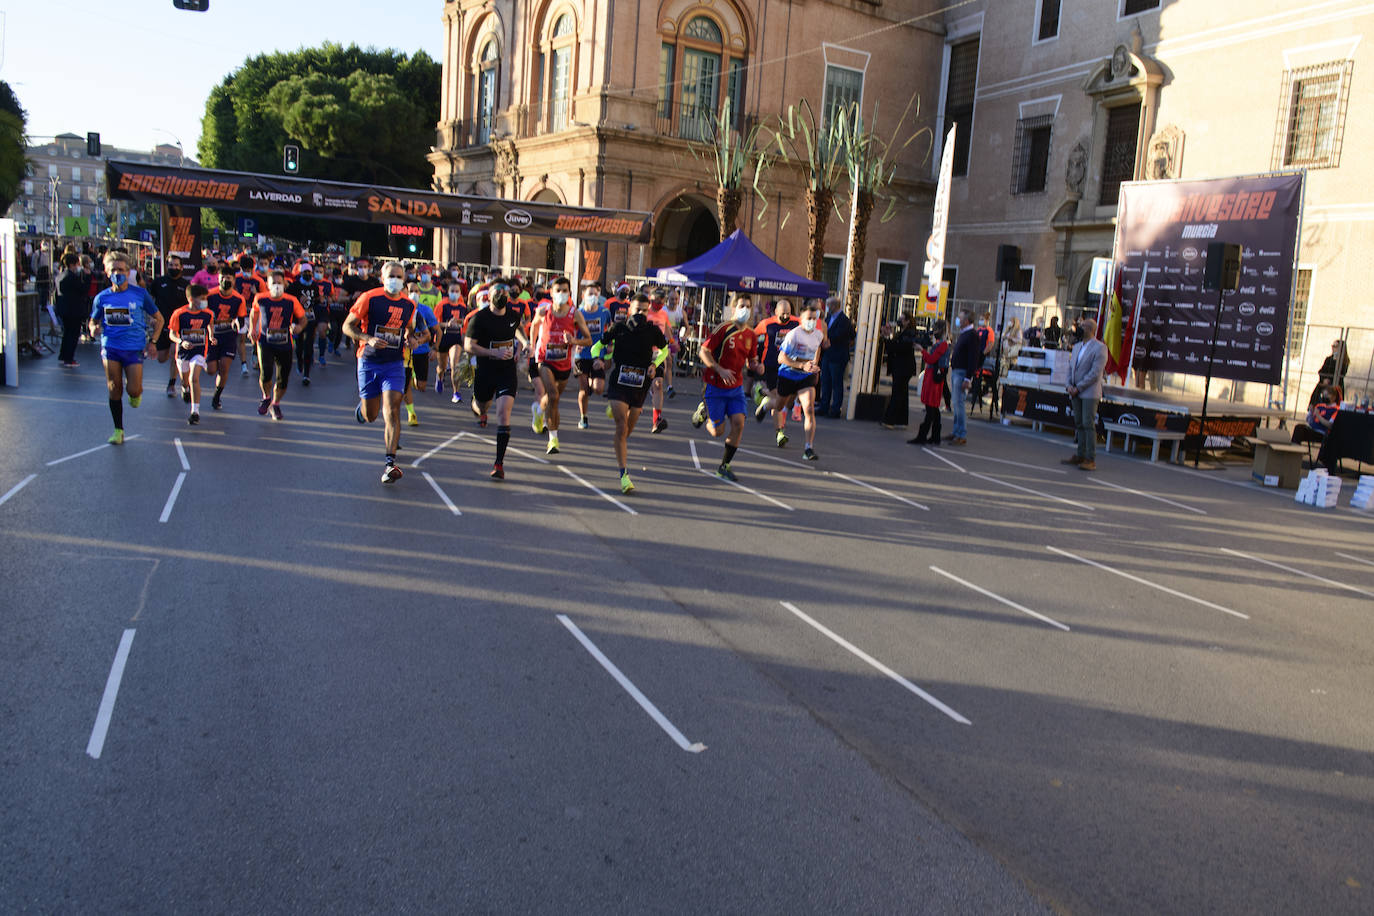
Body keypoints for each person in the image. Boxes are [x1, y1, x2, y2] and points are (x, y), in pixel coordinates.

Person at [344, 261, 422, 483]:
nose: (395, 280)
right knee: (371, 416)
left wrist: (410, 339)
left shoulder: (408, 304)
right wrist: (368, 338)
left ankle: (390, 464)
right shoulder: (370, 297)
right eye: (391, 276)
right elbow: (347, 326)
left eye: (399, 276)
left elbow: (408, 328)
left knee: (392, 410)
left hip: (394, 363)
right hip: (368, 361)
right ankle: (363, 409)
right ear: (382, 277)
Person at [593, 293, 670, 493]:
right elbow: (597, 346)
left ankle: (615, 413)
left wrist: (655, 364)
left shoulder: (653, 331)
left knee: (627, 430)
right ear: (630, 310)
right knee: (621, 426)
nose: (641, 314)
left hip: (640, 386)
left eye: (645, 310)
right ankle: (624, 475)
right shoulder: (619, 328)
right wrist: (599, 360)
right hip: (619, 383)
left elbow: (665, 351)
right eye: (637, 310)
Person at [89, 251, 163, 445]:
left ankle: (136, 393)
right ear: (106, 272)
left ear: (128, 271)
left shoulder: (139, 294)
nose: (117, 273)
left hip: (133, 348)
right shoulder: (101, 298)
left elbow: (159, 319)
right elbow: (93, 321)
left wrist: (153, 341)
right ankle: (118, 430)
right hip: (110, 346)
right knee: (114, 388)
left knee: (133, 389)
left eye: (121, 269)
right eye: (113, 269)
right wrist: (93, 329)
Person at [691, 294, 761, 481]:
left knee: (739, 423)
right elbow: (704, 351)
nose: (745, 309)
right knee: (717, 432)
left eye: (748, 306)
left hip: (736, 387)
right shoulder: (724, 329)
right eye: (741, 306)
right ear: (733, 308)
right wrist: (719, 369)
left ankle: (724, 465)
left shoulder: (751, 335)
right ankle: (703, 412)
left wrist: (757, 366)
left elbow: (751, 361)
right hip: (715, 385)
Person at [464, 284, 530, 480]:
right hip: (485, 371)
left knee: (503, 413)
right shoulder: (479, 318)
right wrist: (493, 352)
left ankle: (499, 463)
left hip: (506, 371)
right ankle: (478, 406)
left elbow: (518, 329)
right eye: (497, 293)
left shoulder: (513, 314)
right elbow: (468, 346)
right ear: (489, 297)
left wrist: (524, 345)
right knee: (482, 407)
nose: (501, 296)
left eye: (504, 293)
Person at [531, 276, 593, 454]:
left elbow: (588, 339)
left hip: (564, 363)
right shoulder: (544, 311)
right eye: (558, 290)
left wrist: (573, 340)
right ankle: (553, 440)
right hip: (545, 359)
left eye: (565, 290)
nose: (561, 294)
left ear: (569, 293)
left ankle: (538, 411)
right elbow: (534, 326)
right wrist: (531, 344)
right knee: (553, 395)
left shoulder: (575, 313)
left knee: (552, 399)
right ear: (551, 293)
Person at [757, 301, 825, 460]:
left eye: (815, 319)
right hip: (787, 374)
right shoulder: (794, 334)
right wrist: (801, 364)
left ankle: (808, 448)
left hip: (805, 377)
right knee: (779, 405)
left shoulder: (818, 335)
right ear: (801, 318)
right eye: (809, 318)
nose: (812, 322)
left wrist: (814, 364)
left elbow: (818, 348)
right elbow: (781, 358)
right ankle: (766, 405)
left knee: (808, 408)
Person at [247, 271, 307, 420]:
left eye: (280, 283)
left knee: (282, 378)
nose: (277, 286)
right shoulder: (260, 298)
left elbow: (303, 318)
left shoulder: (291, 301)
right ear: (267, 284)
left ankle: (276, 403)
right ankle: (266, 397)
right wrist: (252, 329)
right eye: (273, 283)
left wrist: (299, 327)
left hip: (285, 343)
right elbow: (254, 313)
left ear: (285, 284)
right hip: (265, 341)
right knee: (265, 372)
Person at [1062, 317, 1108, 471]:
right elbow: (1071, 368)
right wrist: (1068, 385)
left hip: (1088, 392)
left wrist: (1078, 387)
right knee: (1079, 424)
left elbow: (1095, 373)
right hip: (1075, 391)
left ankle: (1090, 458)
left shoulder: (1100, 348)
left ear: (1091, 329)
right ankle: (1080, 454)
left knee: (1088, 424)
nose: (1080, 328)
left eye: (1083, 326)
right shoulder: (1077, 347)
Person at [167, 284, 216, 425]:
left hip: (199, 350)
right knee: (185, 379)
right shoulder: (179, 314)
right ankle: (184, 388)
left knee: (194, 378)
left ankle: (195, 412)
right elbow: (172, 334)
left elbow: (210, 324)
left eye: (205, 298)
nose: (204, 301)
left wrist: (212, 336)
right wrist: (181, 341)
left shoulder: (208, 313)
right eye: (202, 298)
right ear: (191, 299)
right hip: (183, 352)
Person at [754, 299, 798, 445]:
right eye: (782, 314)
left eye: (788, 314)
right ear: (776, 312)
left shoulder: (796, 322)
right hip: (771, 366)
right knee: (779, 401)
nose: (786, 317)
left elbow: (813, 328)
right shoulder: (767, 324)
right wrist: (755, 359)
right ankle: (780, 434)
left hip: (789, 366)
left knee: (787, 399)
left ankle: (765, 402)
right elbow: (752, 336)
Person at [206, 265, 247, 411]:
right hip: (212, 336)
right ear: (218, 278)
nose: (225, 280)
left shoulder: (238, 299)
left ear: (234, 280)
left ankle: (217, 396)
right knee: (211, 370)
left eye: (228, 277)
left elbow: (241, 319)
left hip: (229, 337)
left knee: (224, 367)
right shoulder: (210, 295)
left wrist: (237, 322)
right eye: (222, 277)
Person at [149, 255, 190, 397]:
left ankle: (172, 384)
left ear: (181, 267)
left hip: (178, 326)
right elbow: (150, 300)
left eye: (176, 265)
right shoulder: (159, 282)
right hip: (161, 324)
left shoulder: (185, 285)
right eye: (171, 265)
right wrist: (151, 317)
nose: (174, 267)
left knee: (175, 354)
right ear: (167, 266)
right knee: (161, 358)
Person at [574, 281, 612, 428]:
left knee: (598, 389)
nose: (593, 296)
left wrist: (609, 345)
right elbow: (571, 330)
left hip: (597, 354)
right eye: (590, 294)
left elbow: (610, 328)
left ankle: (591, 379)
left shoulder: (604, 312)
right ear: (584, 296)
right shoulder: (579, 313)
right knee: (583, 389)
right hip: (582, 354)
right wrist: (575, 343)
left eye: (596, 294)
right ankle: (583, 417)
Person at [909, 320, 950, 445]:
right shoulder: (941, 344)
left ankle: (923, 435)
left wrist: (922, 350)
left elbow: (932, 359)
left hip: (933, 377)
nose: (933, 332)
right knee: (934, 408)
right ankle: (935, 436)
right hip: (933, 376)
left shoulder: (942, 345)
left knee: (931, 407)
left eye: (935, 329)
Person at [402, 291, 439, 427]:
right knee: (395, 394)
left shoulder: (416, 313)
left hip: (408, 356)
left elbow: (428, 335)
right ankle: (410, 413)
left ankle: (410, 412)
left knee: (414, 387)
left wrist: (417, 341)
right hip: (389, 357)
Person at [643, 288, 677, 432]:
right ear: (651, 299)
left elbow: (667, 328)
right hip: (643, 352)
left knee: (658, 384)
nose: (658, 304)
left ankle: (657, 420)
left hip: (658, 354)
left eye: (661, 302)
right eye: (656, 301)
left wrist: (672, 342)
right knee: (640, 385)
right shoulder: (644, 312)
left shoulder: (663, 313)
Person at [287, 263, 325, 386]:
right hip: (298, 318)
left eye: (309, 272)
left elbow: (316, 300)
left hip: (310, 318)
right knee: (299, 345)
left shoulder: (314, 285)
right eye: (305, 273)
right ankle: (299, 361)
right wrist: (298, 300)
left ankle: (306, 374)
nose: (308, 275)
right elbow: (287, 299)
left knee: (309, 345)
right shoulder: (295, 285)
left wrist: (319, 300)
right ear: (301, 273)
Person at [879, 313, 918, 429]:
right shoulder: (903, 332)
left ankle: (890, 420)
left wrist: (888, 338)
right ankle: (901, 420)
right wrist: (888, 337)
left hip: (903, 368)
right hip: (901, 367)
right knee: (902, 393)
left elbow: (899, 347)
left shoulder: (909, 333)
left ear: (907, 321)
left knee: (897, 393)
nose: (899, 321)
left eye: (901, 319)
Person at [947, 309, 980, 445]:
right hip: (956, 371)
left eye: (960, 318)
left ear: (966, 320)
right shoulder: (964, 334)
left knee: (959, 404)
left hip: (962, 373)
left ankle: (961, 434)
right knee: (956, 403)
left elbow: (973, 358)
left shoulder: (972, 335)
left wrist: (968, 378)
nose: (958, 320)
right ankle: (956, 431)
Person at [818, 296, 853, 418]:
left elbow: (839, 335)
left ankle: (835, 409)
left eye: (828, 305)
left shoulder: (844, 320)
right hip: (827, 355)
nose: (826, 308)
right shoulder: (828, 318)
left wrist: (827, 338)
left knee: (836, 383)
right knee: (825, 381)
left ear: (834, 306)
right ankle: (824, 406)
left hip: (838, 356)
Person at [435, 282, 469, 402]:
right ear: (448, 292)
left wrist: (465, 337)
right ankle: (439, 377)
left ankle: (456, 393)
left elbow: (464, 324)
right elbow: (434, 323)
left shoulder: (463, 307)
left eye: (457, 291)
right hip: (443, 337)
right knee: (442, 366)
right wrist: (447, 324)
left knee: (455, 364)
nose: (455, 293)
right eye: (452, 291)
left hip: (456, 338)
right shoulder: (442, 305)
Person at [56, 253, 88, 367]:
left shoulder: (61, 275)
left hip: (64, 309)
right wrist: (87, 277)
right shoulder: (72, 277)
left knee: (67, 333)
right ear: (72, 264)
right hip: (74, 309)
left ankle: (63, 355)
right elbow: (83, 289)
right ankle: (69, 358)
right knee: (73, 334)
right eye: (76, 264)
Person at [1310, 340, 1351, 407]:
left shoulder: (1344, 361)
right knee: (1318, 402)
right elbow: (1321, 371)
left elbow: (1341, 374)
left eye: (1335, 346)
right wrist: (1324, 379)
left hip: (1336, 386)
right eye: (1332, 346)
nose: (1333, 348)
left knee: (1333, 405)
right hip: (1325, 385)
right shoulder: (1329, 359)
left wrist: (1336, 361)